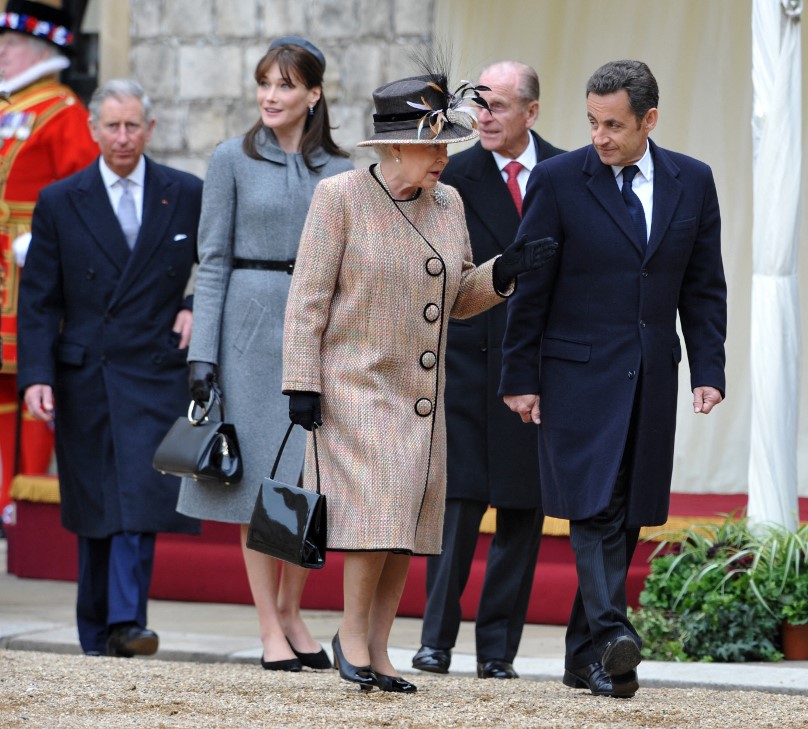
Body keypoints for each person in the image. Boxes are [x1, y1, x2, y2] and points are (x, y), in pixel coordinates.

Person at [281, 69, 557, 693]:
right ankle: (350, 639)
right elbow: (306, 301)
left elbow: (459, 296)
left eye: (446, 146)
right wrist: (301, 382)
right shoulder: (340, 197)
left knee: (404, 524)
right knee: (377, 516)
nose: (443, 158)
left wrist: (503, 270)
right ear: (393, 147)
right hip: (351, 384)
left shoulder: (448, 203)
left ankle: (379, 652)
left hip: (419, 394)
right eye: (432, 145)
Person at [499, 60, 727, 699]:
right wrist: (520, 375)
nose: (600, 137)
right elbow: (530, 288)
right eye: (593, 122)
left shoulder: (694, 181)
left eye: (614, 125)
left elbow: (703, 286)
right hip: (575, 376)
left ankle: (584, 659)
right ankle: (612, 631)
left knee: (627, 513)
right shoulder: (557, 180)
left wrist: (709, 368)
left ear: (649, 120)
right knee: (593, 508)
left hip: (652, 375)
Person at [176, 36, 352, 673]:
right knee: (255, 484)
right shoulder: (230, 159)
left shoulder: (342, 170)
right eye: (265, 83)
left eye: (285, 85)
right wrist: (203, 356)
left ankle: (292, 611)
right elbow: (213, 262)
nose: (271, 96)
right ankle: (268, 626)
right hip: (247, 334)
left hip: (319, 336)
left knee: (302, 482)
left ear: (314, 93)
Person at [16, 78, 203, 657]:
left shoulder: (185, 192)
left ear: (150, 129)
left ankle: (126, 622)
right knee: (97, 504)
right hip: (85, 375)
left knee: (138, 498)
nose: (122, 137)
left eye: (132, 126)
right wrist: (36, 376)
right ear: (93, 131)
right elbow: (40, 299)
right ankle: (97, 630)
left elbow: (219, 266)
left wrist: (196, 309)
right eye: (111, 126)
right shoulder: (59, 200)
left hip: (153, 369)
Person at [412, 60, 564, 681]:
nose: (484, 117)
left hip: (535, 368)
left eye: (499, 106)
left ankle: (498, 651)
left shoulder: (564, 171)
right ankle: (435, 643)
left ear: (531, 111)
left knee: (523, 515)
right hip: (467, 363)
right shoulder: (454, 173)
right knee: (457, 511)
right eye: (480, 105)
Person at [0, 0, 98, 525]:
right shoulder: (8, 107)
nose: (1, 53)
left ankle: (27, 498)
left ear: (39, 48)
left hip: (29, 271)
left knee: (33, 375)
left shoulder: (64, 113)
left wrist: (41, 245)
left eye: (10, 44)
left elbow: (82, 195)